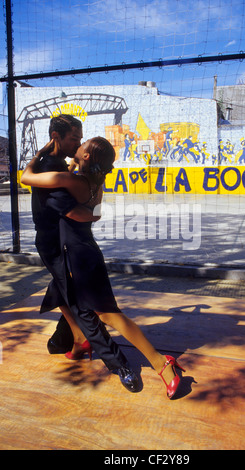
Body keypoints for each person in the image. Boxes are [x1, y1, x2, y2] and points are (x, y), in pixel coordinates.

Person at [21, 135, 186, 399]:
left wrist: (40, 152)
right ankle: (78, 343)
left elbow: (26, 177)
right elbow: (95, 214)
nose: (80, 143)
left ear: (86, 156)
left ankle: (162, 364)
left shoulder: (70, 180)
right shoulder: (95, 180)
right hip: (84, 250)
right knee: (61, 294)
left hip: (79, 257)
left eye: (83, 145)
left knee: (109, 315)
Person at [22, 114, 139, 392]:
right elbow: (82, 214)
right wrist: (95, 198)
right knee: (80, 306)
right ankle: (118, 364)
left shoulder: (55, 164)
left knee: (63, 291)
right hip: (57, 244)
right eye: (74, 137)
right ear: (56, 137)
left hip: (66, 242)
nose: (78, 142)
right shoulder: (55, 172)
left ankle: (68, 340)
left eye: (80, 138)